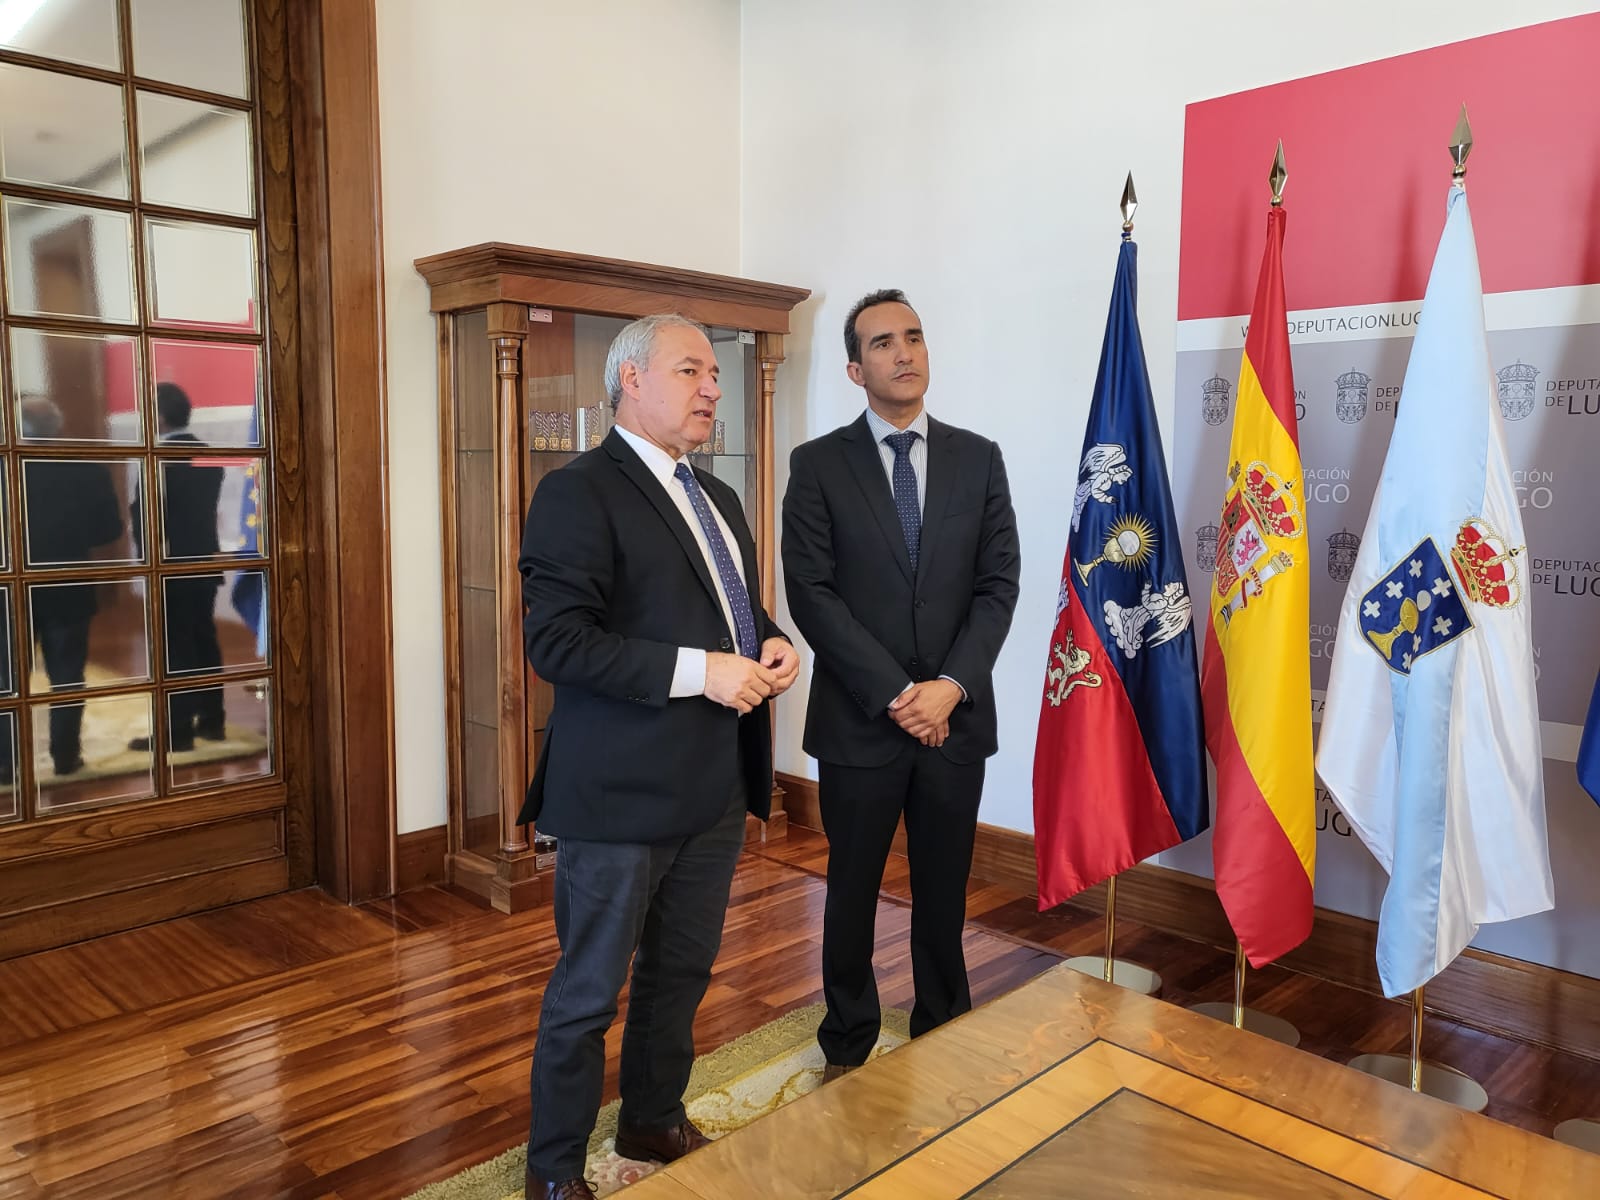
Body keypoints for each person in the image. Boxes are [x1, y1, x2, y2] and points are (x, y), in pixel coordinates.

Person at [518, 314, 798, 1199]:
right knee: (588, 995)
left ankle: (650, 1115)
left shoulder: (718, 499)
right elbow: (557, 643)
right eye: (692, 370)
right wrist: (703, 672)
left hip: (714, 786)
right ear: (631, 380)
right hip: (618, 797)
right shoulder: (576, 492)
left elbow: (737, 619)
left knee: (681, 971)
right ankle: (553, 1174)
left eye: (715, 373)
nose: (713, 387)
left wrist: (775, 644)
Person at [781, 289, 1020, 1079]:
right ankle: (847, 1043)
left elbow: (998, 586)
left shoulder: (978, 457)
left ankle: (943, 1027)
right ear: (856, 368)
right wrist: (896, 693)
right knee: (849, 895)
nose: (904, 353)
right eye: (883, 343)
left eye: (914, 337)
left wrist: (950, 686)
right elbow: (813, 594)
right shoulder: (817, 466)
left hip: (954, 721)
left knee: (945, 896)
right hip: (860, 721)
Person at [15, 398, 126, 779]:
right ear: (59, 428)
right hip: (68, 586)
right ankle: (66, 757)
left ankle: (4, 763)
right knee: (66, 676)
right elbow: (110, 531)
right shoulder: (87, 471)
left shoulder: (4, 466)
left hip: (9, 591)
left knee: (6, 680)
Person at [131, 383, 227, 751]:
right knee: (204, 641)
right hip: (202, 560)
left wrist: (146, 557)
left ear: (160, 415)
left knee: (176, 649)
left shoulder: (160, 456)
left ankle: (177, 732)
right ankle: (212, 721)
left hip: (169, 563)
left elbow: (150, 515)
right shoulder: (205, 452)